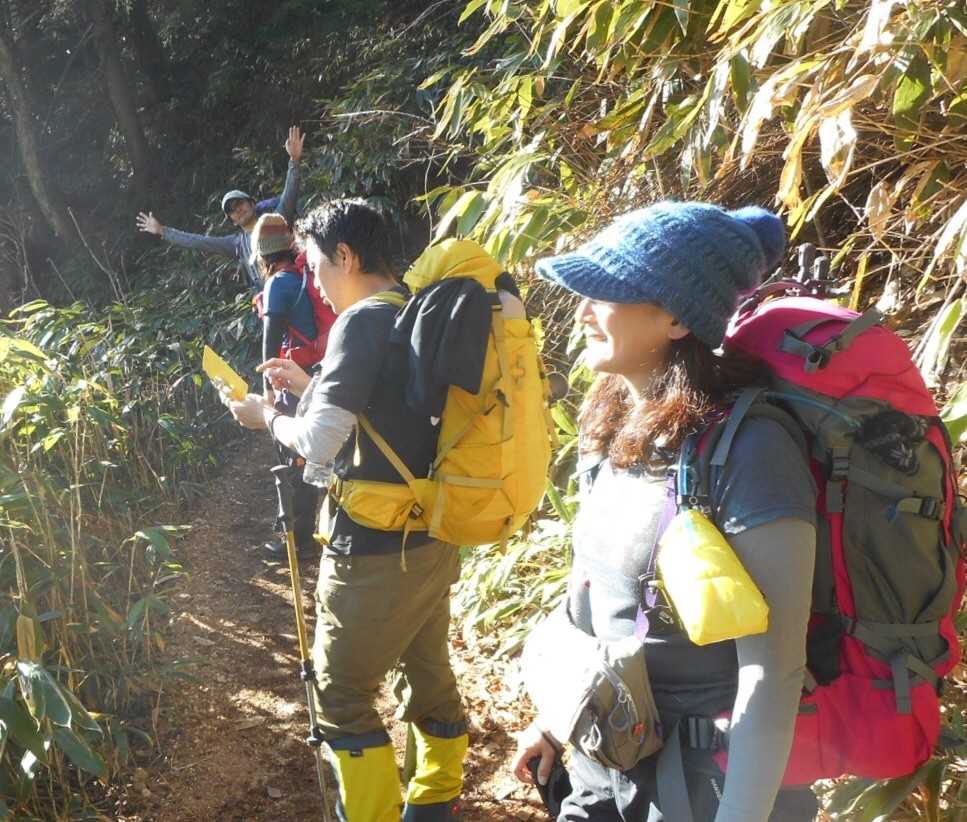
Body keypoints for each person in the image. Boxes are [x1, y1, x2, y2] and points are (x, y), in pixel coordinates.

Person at [511, 202, 821, 821]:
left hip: (706, 784)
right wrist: (554, 719)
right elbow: (593, 595)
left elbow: (774, 673)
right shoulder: (615, 427)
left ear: (677, 316)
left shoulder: (751, 450)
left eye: (606, 293)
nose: (583, 310)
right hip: (605, 759)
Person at [226, 200, 469, 822]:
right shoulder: (414, 308)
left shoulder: (360, 322)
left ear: (346, 255)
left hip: (374, 547)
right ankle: (434, 804)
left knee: (340, 697)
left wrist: (266, 416)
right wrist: (311, 388)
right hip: (434, 533)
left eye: (316, 266)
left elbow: (317, 443)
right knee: (428, 674)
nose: (316, 282)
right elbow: (392, 418)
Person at [248, 212, 333, 558]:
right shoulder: (303, 275)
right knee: (310, 455)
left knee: (293, 459)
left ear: (262, 254)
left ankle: (297, 542)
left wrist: (268, 390)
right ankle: (309, 530)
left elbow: (271, 340)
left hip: (294, 379)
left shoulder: (278, 283)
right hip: (318, 370)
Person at [135, 126, 305, 291]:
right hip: (270, 303)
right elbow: (198, 242)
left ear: (252, 204)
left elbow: (289, 193)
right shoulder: (237, 245)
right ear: (233, 221)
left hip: (297, 289)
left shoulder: (276, 222)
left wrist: (294, 160)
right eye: (232, 210)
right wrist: (163, 231)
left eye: (240, 203)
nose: (238, 210)